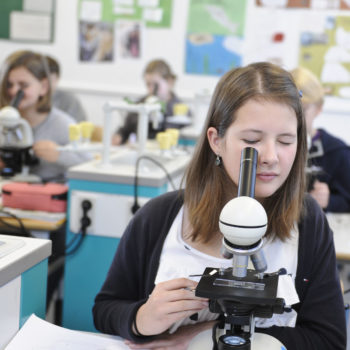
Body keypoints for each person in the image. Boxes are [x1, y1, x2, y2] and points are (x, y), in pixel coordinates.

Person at [93, 62, 346, 349]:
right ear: (216, 140)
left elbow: (329, 340)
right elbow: (105, 310)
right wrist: (141, 318)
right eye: (252, 140)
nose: (270, 156)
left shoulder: (307, 221)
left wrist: (209, 332)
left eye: (286, 141)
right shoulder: (159, 217)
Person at [0, 50, 92, 183]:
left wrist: (59, 155)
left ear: (43, 87)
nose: (14, 91)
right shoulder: (6, 120)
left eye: (23, 85)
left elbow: (88, 165)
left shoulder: (62, 124)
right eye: (10, 85)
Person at [291, 66, 350, 213]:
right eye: (289, 108)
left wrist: (329, 201)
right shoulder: (270, 147)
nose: (294, 117)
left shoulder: (338, 152)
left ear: (318, 108)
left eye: (302, 110)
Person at [112, 59, 190, 145]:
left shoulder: (181, 111)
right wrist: (120, 135)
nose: (152, 89)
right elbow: (126, 128)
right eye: (148, 84)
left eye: (156, 85)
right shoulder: (141, 104)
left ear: (169, 82)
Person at [46, 55, 87, 123]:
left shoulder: (69, 100)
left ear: (57, 78)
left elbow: (79, 126)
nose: (44, 85)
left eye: (49, 80)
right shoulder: (31, 99)